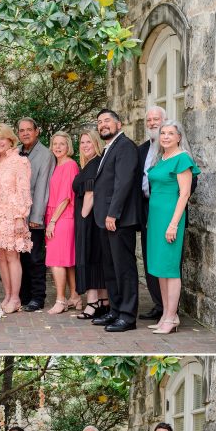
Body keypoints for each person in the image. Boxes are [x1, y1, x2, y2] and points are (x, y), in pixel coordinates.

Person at [147, 121, 201, 334]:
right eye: (163, 133)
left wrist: (173, 224)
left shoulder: (182, 159)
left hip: (171, 216)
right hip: (156, 216)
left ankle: (171, 317)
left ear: (179, 137)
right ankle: (167, 314)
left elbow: (184, 194)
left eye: (171, 133)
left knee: (170, 267)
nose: (166, 136)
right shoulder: (161, 158)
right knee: (160, 268)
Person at [92, 109, 140, 332]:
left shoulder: (126, 147)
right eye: (100, 122)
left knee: (124, 269)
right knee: (110, 268)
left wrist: (113, 213)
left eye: (107, 121)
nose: (103, 125)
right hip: (105, 219)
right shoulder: (109, 148)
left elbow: (124, 183)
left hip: (118, 219)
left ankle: (128, 317)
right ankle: (116, 310)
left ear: (119, 124)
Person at [0, 123, 32, 313]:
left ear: (11, 139)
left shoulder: (20, 161)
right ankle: (7, 295)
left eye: (3, 138)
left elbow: (23, 190)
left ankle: (15, 298)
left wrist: (20, 216)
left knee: (13, 256)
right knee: (1, 257)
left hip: (13, 216)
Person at [17, 117, 55, 312]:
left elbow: (43, 187)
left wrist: (36, 217)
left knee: (35, 258)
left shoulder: (45, 155)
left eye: (29, 130)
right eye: (21, 130)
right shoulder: (16, 151)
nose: (25, 133)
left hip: (33, 215)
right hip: (17, 216)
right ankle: (23, 295)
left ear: (36, 131)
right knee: (21, 257)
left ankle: (38, 297)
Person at [73, 128, 110, 320]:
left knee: (88, 257)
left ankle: (93, 302)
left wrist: (82, 217)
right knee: (97, 259)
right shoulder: (93, 163)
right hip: (94, 220)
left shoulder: (94, 164)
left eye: (89, 142)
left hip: (89, 220)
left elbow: (90, 194)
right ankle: (104, 301)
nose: (85, 145)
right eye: (82, 142)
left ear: (96, 143)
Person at [45, 131, 81, 314]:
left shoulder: (69, 165)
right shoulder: (57, 165)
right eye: (55, 144)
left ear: (69, 147)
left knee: (56, 260)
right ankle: (74, 296)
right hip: (57, 215)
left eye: (62, 144)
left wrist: (52, 221)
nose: (58, 147)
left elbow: (66, 197)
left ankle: (61, 300)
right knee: (67, 260)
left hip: (62, 217)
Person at [137, 106, 167, 321]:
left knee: (166, 258)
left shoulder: (173, 148)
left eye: (156, 119)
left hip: (166, 210)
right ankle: (158, 303)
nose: (152, 123)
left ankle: (169, 307)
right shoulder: (142, 149)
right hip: (146, 208)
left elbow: (189, 183)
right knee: (149, 258)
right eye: (149, 120)